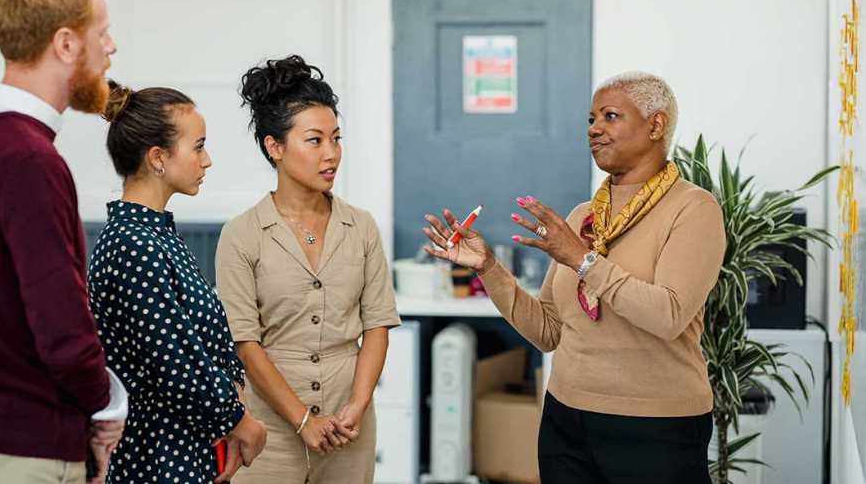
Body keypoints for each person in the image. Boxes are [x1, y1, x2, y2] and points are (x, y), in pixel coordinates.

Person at [423, 71, 726, 484]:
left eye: (610, 116)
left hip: (657, 427)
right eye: (590, 119)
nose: (594, 129)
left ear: (656, 125)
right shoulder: (583, 217)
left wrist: (583, 261)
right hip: (566, 422)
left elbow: (668, 315)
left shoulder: (693, 209)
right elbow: (548, 331)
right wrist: (488, 267)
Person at [0, 0, 125, 484]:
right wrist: (106, 408)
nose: (111, 48)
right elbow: (63, 332)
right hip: (20, 451)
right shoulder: (29, 160)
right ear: (65, 44)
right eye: (102, 34)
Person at [216, 55, 400, 484]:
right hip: (268, 433)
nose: (331, 153)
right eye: (314, 141)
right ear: (275, 147)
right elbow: (245, 343)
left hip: (348, 427)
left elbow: (377, 325)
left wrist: (357, 405)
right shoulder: (242, 235)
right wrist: (303, 420)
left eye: (336, 139)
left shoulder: (362, 227)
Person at [88, 81, 268, 483]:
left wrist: (234, 404)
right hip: (157, 456)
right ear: (158, 157)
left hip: (186, 447)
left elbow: (205, 343)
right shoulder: (132, 243)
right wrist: (240, 422)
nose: (207, 160)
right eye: (198, 147)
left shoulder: (156, 235)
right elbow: (173, 362)